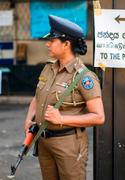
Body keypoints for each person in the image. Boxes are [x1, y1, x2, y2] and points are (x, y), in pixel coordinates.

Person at [24, 15, 105, 180]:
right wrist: (28, 119)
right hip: (44, 141)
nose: (48, 44)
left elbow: (99, 117)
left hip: (68, 144)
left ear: (66, 44)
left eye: (52, 40)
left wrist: (61, 118)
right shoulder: (48, 68)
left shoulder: (84, 77)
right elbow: (37, 97)